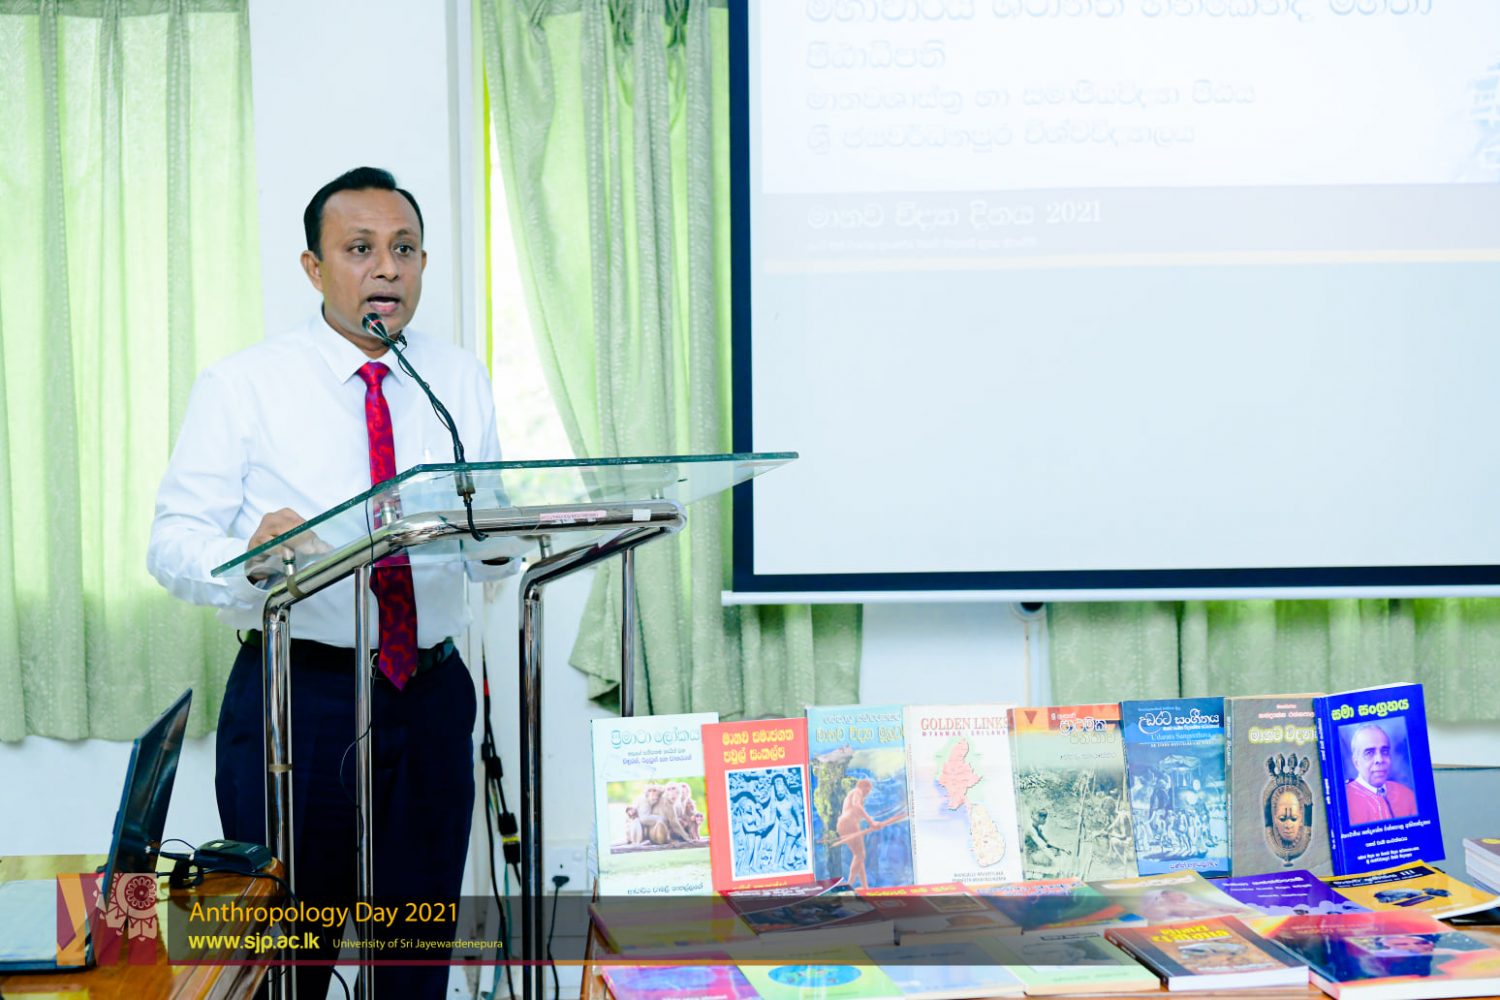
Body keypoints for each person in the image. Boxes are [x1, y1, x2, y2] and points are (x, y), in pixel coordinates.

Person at [147, 167, 511, 1000]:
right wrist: (248, 555)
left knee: (414, 959)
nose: (387, 268)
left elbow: (486, 534)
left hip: (428, 696)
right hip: (298, 701)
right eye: (360, 249)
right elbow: (171, 542)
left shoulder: (456, 379)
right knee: (289, 964)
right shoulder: (244, 384)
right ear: (313, 268)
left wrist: (503, 539)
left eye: (405, 249)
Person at [1343, 724, 1418, 824]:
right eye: (1369, 753)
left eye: (1384, 751)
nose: (1380, 759)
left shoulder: (1406, 794)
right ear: (1356, 763)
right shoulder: (1345, 801)